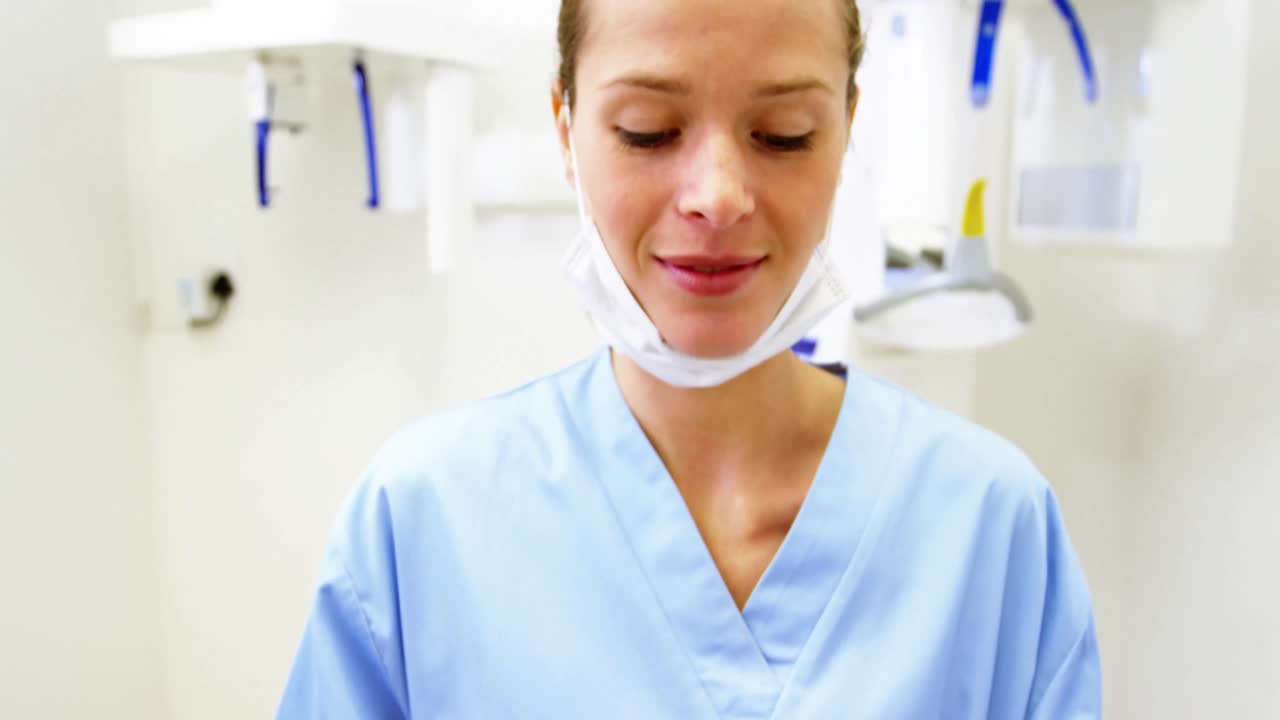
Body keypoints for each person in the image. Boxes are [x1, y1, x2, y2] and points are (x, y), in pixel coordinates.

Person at [277, 0, 1102, 717]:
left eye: (783, 136)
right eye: (649, 131)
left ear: (847, 128)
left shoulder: (990, 532)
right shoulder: (422, 525)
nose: (717, 195)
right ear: (566, 129)